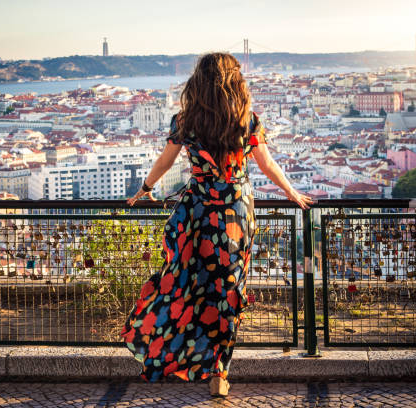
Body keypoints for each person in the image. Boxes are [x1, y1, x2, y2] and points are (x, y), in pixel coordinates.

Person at [121, 52, 312, 397]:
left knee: (186, 284)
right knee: (227, 292)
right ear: (234, 84)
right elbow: (267, 165)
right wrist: (291, 192)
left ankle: (175, 350)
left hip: (198, 211)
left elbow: (165, 161)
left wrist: (146, 188)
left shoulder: (185, 121)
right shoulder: (247, 121)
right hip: (236, 214)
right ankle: (219, 371)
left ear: (199, 83)